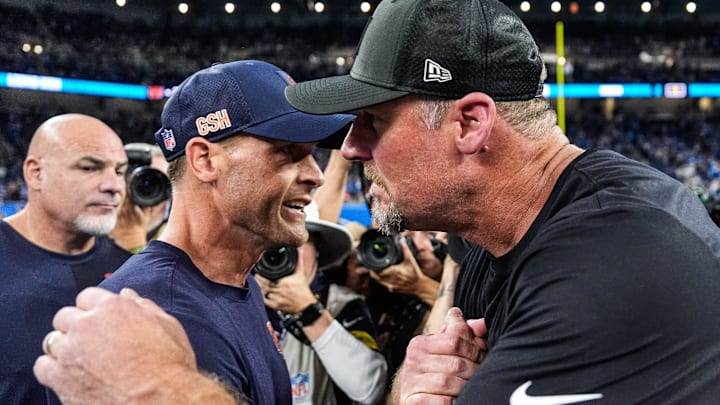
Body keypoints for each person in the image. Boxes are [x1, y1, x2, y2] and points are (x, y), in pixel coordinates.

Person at [284, 0, 720, 404]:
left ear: (470, 124)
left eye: (374, 121)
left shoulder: (614, 261)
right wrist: (413, 381)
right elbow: (425, 383)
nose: (351, 148)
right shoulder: (492, 231)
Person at [100, 60, 353, 404]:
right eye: (287, 152)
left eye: (312, 154)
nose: (315, 175)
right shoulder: (154, 316)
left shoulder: (237, 279)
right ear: (204, 160)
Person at [0, 113, 131, 404]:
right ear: (35, 173)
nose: (114, 186)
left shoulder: (131, 271)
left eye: (120, 171)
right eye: (89, 168)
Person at [255, 209, 387, 405]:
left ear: (317, 253)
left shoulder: (342, 304)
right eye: (275, 242)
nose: (284, 251)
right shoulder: (236, 303)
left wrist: (309, 312)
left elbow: (370, 388)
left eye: (298, 242)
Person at [109, 142, 170, 253]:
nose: (136, 193)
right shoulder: (82, 229)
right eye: (125, 179)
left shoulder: (185, 244)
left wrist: (132, 239)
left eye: (154, 183)